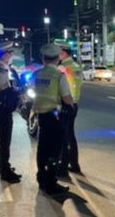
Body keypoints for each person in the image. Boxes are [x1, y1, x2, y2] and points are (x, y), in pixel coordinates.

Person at [32, 43, 74, 195]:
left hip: (41, 117)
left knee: (42, 150)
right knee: (54, 152)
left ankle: (41, 178)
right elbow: (67, 99)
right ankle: (51, 183)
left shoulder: (36, 74)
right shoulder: (59, 76)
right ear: (57, 59)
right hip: (55, 118)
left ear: (43, 59)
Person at [0, 42, 21, 183]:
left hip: (0, 107)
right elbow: (5, 89)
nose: (11, 55)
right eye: (10, 53)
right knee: (5, 140)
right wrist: (16, 92)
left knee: (5, 139)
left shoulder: (3, 67)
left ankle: (5, 166)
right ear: (5, 54)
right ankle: (4, 172)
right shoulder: (1, 69)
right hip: (1, 107)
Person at [57, 42, 83, 175]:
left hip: (66, 104)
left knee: (63, 136)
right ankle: (74, 164)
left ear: (64, 51)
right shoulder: (76, 66)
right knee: (70, 135)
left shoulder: (64, 67)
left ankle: (64, 165)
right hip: (74, 104)